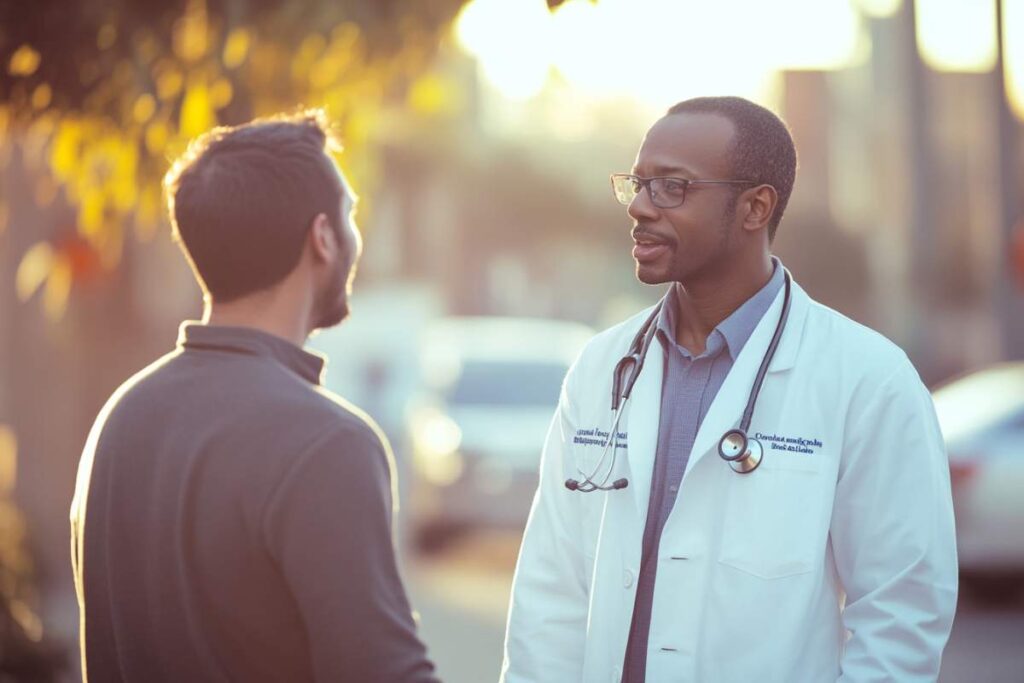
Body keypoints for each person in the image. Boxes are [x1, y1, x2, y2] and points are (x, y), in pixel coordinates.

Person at [501, 96, 958, 682]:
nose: (640, 207)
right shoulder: (601, 368)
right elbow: (549, 592)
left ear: (754, 207)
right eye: (638, 184)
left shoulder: (868, 380)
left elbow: (902, 612)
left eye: (672, 187)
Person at [70, 112, 438, 682]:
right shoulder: (329, 444)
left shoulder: (119, 419)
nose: (354, 236)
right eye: (350, 215)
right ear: (322, 238)